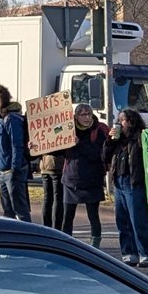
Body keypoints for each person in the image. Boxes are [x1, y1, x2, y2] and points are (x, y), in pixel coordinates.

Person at [104, 107, 148, 267]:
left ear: (131, 122)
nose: (120, 123)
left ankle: (147, 254)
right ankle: (129, 252)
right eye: (119, 120)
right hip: (119, 181)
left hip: (134, 182)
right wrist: (110, 140)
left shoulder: (140, 137)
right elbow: (104, 156)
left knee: (138, 220)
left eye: (123, 120)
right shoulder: (117, 141)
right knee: (122, 220)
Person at [61, 102, 109, 247]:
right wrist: (35, 146)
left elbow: (97, 153)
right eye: (83, 114)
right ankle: (65, 245)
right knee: (67, 216)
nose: (87, 117)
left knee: (93, 216)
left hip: (92, 180)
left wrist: (79, 143)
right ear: (76, 116)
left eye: (89, 114)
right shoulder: (68, 129)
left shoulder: (98, 130)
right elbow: (58, 150)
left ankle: (95, 245)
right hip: (71, 180)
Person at [0, 83, 31, 221]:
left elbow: (17, 144)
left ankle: (27, 234)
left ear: (2, 99)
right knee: (8, 213)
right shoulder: (0, 118)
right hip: (2, 173)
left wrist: (15, 169)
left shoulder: (11, 118)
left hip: (12, 172)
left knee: (20, 211)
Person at [39, 152, 65, 228]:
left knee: (47, 198)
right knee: (58, 198)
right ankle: (57, 227)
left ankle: (46, 226)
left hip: (44, 165)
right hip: (56, 165)